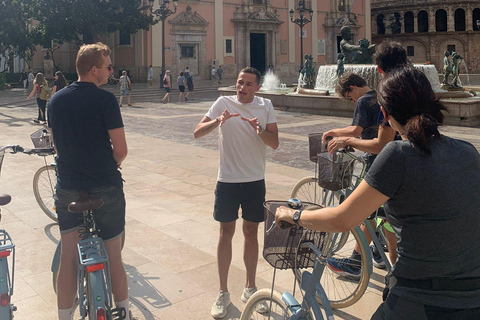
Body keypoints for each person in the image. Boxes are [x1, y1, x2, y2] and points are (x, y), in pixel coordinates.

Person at [276, 67, 480, 320]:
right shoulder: (468, 151)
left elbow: (341, 220)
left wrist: (293, 215)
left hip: (420, 299)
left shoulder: (398, 155)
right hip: (472, 296)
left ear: (384, 114)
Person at [47, 42, 131, 320]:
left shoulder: (56, 100)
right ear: (94, 69)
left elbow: (57, 146)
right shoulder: (106, 100)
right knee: (114, 256)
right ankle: (125, 312)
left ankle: (63, 316)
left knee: (69, 255)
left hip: (68, 186)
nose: (111, 72)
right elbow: (121, 150)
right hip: (105, 185)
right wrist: (111, 165)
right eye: (108, 67)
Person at [193, 67, 279, 319]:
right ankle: (222, 292)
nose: (242, 88)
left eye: (248, 84)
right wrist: (217, 121)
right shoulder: (223, 103)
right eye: (240, 83)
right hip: (228, 181)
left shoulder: (265, 106)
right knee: (225, 234)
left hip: (254, 181)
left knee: (251, 233)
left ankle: (250, 288)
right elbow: (197, 132)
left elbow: (274, 143)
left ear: (257, 87)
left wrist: (259, 130)